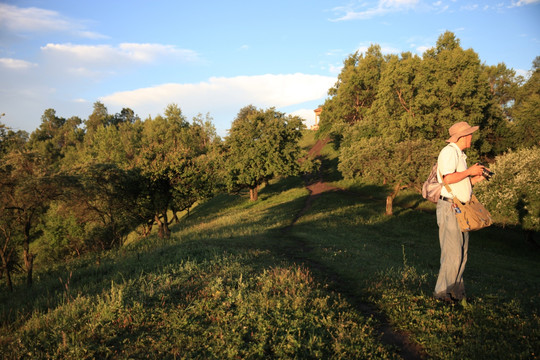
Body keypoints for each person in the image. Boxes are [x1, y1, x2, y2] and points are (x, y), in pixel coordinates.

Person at [434, 121, 486, 302]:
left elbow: (457, 182)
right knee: (452, 254)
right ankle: (442, 295)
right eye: (469, 134)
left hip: (459, 209)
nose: (471, 137)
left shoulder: (460, 155)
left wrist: (473, 180)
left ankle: (455, 293)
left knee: (462, 254)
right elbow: (448, 177)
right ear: (461, 137)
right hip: (450, 208)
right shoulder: (449, 152)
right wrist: (470, 172)